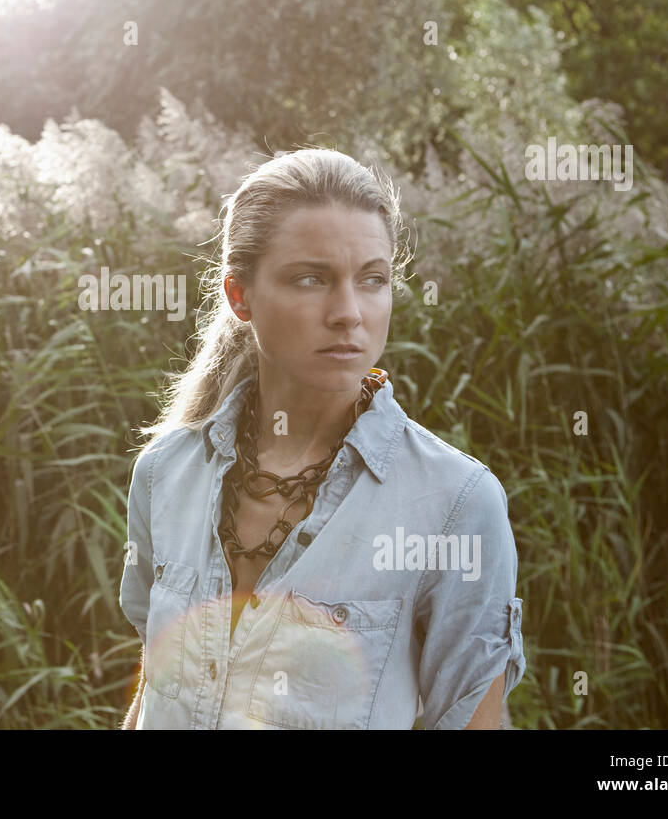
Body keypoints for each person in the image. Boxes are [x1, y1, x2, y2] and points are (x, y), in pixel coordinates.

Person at [118, 147, 525, 729]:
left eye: (373, 279)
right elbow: (152, 692)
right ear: (240, 297)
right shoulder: (165, 472)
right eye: (311, 279)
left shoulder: (455, 504)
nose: (348, 313)